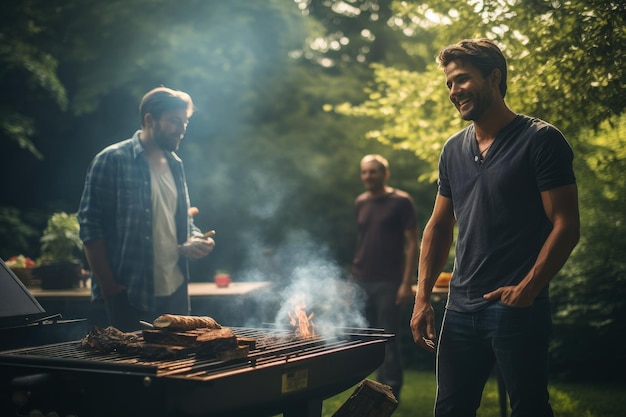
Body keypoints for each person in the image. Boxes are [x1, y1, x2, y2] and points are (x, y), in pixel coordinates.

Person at [409, 39, 580, 417]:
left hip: (516, 308)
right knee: (450, 410)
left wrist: (528, 289)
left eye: (462, 80)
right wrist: (422, 299)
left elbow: (566, 225)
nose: (454, 92)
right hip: (459, 308)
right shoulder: (453, 149)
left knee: (529, 408)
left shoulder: (541, 140)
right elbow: (438, 227)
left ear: (494, 78)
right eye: (449, 84)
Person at [78, 86, 215, 332]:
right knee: (129, 368)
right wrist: (110, 288)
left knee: (173, 367)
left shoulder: (176, 165)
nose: (182, 130)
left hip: (175, 295)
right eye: (175, 122)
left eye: (185, 122)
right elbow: (90, 227)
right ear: (149, 120)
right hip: (129, 295)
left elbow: (179, 220)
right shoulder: (111, 160)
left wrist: (195, 238)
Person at [351, 154, 419, 400]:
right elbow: (362, 241)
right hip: (361, 279)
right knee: (364, 338)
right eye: (365, 172)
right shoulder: (360, 202)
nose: (368, 176)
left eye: (373, 171)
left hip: (389, 282)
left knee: (387, 338)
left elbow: (413, 243)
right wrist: (352, 279)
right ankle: (366, 390)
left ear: (385, 174)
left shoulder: (401, 201)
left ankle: (388, 394)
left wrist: (407, 282)